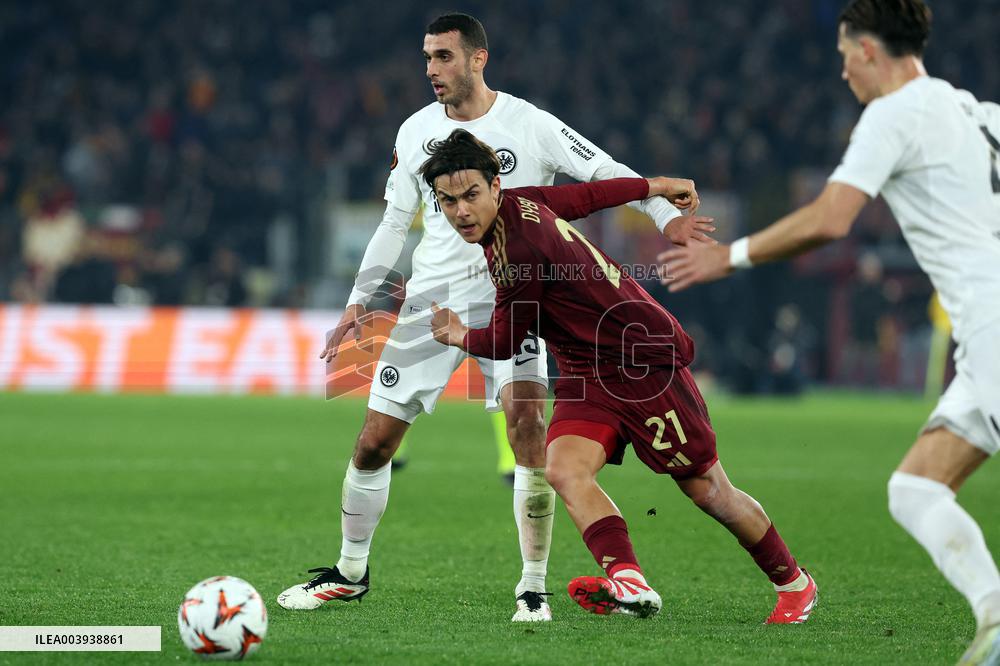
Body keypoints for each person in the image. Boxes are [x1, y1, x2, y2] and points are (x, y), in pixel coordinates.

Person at [277, 13, 715, 622]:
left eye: (444, 57)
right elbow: (392, 222)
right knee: (375, 442)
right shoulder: (415, 131)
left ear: (479, 59)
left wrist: (668, 220)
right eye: (427, 58)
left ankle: (532, 588)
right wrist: (361, 298)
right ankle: (350, 573)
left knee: (528, 436)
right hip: (430, 303)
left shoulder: (528, 124)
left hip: (521, 304)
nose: (431, 69)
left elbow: (600, 174)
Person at [658, 0, 1000, 660]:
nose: (843, 74)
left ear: (869, 51)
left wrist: (726, 257)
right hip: (983, 337)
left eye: (845, 58)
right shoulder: (976, 113)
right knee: (916, 489)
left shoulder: (894, 113)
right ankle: (992, 619)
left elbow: (830, 218)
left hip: (993, 324)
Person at [427, 128, 817, 622]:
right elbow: (588, 195)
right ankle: (628, 582)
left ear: (495, 186)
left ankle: (795, 584)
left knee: (707, 490)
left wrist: (458, 333)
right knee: (565, 470)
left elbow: (503, 341)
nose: (461, 211)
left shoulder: (516, 252)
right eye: (448, 200)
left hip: (640, 361)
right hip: (586, 369)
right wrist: (653, 186)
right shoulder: (519, 204)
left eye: (470, 195)